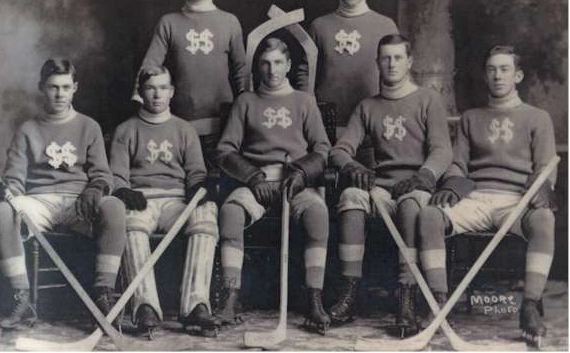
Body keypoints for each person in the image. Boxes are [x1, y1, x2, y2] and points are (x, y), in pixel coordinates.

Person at [417, 45, 557, 347]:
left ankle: (530, 307)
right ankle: (438, 301)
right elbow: (458, 162)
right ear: (485, 74)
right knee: (429, 214)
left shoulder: (537, 117)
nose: (498, 75)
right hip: (476, 199)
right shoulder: (471, 117)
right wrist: (452, 184)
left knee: (544, 219)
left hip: (516, 200)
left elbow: (547, 166)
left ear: (517, 75)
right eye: (492, 69)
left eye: (505, 69)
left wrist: (542, 187)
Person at [0, 58, 126, 331]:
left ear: (75, 88)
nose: (59, 94)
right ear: (42, 88)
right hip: (39, 201)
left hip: (78, 201)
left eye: (65, 87)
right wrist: (7, 190)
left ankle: (103, 294)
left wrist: (95, 189)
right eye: (53, 87)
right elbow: (15, 178)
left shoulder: (90, 126)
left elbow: (102, 173)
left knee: (114, 207)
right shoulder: (27, 129)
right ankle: (22, 298)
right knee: (1, 210)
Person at [329, 34, 452, 336]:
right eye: (386, 58)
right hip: (382, 188)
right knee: (351, 196)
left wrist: (423, 176)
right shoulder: (368, 106)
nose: (392, 64)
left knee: (411, 204)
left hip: (417, 185)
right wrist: (353, 165)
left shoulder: (427, 99)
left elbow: (442, 150)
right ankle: (350, 289)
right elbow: (339, 149)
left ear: (409, 61)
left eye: (398, 57)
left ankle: (406, 294)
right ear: (377, 63)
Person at [215, 37, 332, 334]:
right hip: (257, 182)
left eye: (279, 62)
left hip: (294, 182)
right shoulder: (246, 102)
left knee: (318, 213)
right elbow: (225, 151)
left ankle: (315, 300)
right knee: (230, 212)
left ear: (289, 65)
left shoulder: (304, 102)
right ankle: (230, 297)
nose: (272, 70)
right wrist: (253, 177)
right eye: (265, 63)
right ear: (258, 66)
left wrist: (302, 174)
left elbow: (322, 149)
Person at [110, 65, 220, 337]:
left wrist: (199, 188)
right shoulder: (125, 130)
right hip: (141, 201)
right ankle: (145, 307)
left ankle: (195, 305)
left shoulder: (184, 130)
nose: (157, 94)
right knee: (130, 222)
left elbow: (197, 172)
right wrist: (125, 192)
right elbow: (117, 176)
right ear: (141, 92)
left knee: (206, 213)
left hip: (175, 203)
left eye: (162, 87)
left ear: (171, 92)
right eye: (150, 88)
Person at [134, 0, 245, 135]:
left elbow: (241, 70)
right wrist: (140, 100)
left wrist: (247, 112)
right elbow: (150, 65)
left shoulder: (230, 21)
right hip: (181, 120)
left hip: (224, 121)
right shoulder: (168, 22)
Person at [298, 0, 398, 127]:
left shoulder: (386, 26)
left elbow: (397, 72)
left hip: (373, 122)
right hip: (326, 123)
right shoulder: (319, 26)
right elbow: (305, 72)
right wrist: (310, 111)